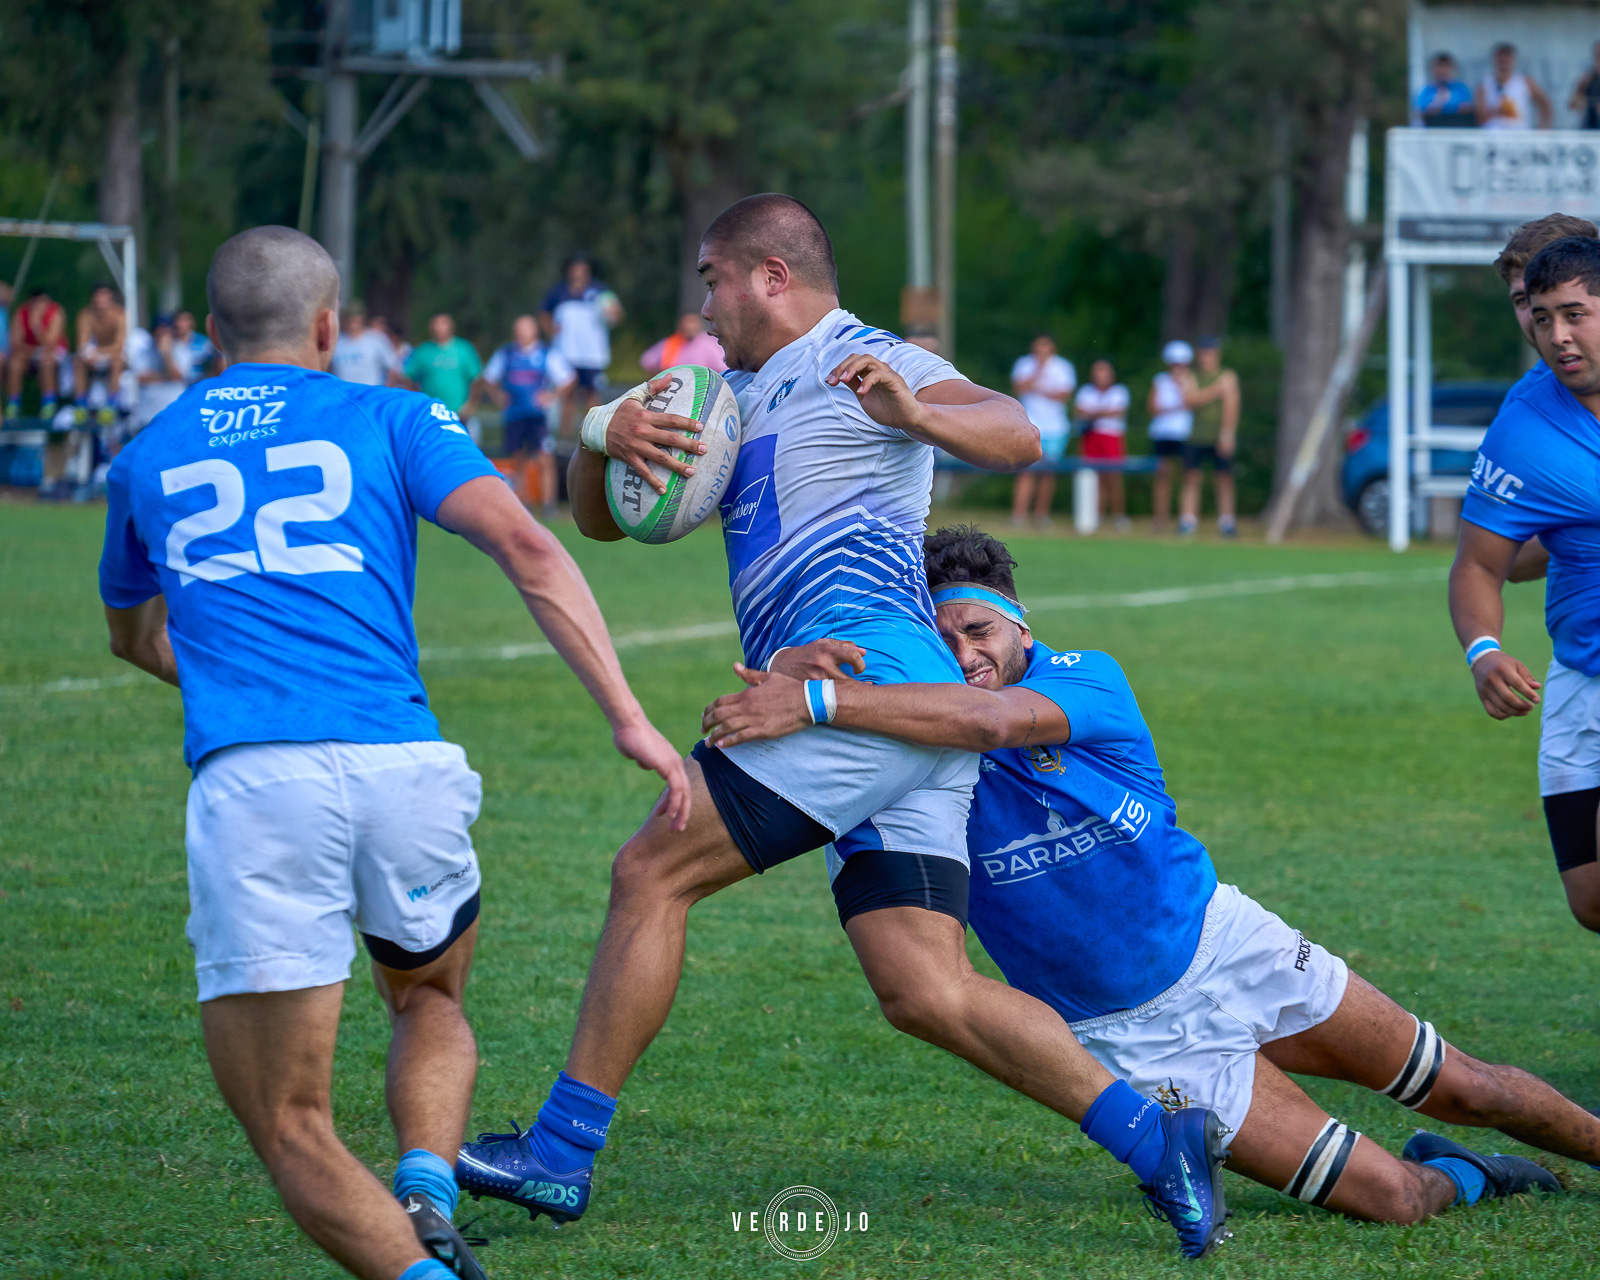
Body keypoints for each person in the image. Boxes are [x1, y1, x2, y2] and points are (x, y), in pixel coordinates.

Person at [457, 194, 1233, 1260]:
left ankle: (558, 1149)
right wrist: (601, 432)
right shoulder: (724, 396)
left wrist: (915, 413)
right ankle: (1158, 1136)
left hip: (868, 684)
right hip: (894, 707)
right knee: (925, 986)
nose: (705, 300)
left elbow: (1018, 429)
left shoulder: (868, 356)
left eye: (712, 278)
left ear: (770, 274)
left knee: (652, 871)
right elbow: (602, 520)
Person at [703, 524, 1600, 1225]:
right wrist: (791, 681)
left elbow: (990, 722)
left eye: (977, 628)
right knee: (1394, 1200)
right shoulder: (895, 759)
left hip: (1228, 945)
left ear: (1019, 620)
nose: (966, 653)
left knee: (1472, 1084)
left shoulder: (1087, 679)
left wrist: (819, 697)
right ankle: (1463, 1171)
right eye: (941, 643)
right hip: (1136, 1041)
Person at [97, 226, 689, 1280]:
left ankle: (417, 1249)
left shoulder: (147, 452)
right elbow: (528, 544)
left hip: (258, 783)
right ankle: (424, 1182)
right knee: (429, 994)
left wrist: (237, 682)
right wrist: (627, 714)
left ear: (208, 330)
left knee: (291, 1126)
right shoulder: (392, 411)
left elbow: (133, 636)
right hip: (401, 768)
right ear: (331, 326)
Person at [1451, 233, 1600, 941]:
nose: (1557, 335)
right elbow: (1483, 562)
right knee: (1591, 898)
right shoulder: (1524, 428)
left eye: (1575, 314)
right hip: (1579, 673)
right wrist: (1484, 650)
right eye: (1541, 317)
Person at [483, 314, 575, 520]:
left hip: (538, 417)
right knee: (519, 459)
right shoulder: (506, 354)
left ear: (534, 331)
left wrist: (552, 395)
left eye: (525, 328)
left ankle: (548, 505)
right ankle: (523, 503)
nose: (521, 333)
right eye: (518, 329)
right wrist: (498, 396)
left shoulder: (545, 353)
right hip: (514, 415)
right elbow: (488, 378)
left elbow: (568, 379)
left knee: (544, 458)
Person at [541, 255, 622, 446]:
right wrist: (550, 330)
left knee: (591, 394)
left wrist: (612, 313)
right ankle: (566, 438)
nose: (577, 272)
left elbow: (616, 314)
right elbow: (543, 313)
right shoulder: (558, 292)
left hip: (593, 355)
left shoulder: (600, 291)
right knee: (567, 395)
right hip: (567, 353)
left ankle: (590, 436)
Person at [1008, 334, 1076, 528]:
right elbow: (1019, 388)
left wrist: (1040, 389)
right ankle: (1019, 515)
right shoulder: (1024, 364)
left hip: (1055, 428)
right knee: (1025, 470)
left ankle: (1041, 515)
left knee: (1048, 472)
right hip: (1029, 424)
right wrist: (1038, 371)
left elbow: (1063, 395)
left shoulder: (1062, 367)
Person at [1179, 337, 1241, 537]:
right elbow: (1190, 399)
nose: (1206, 357)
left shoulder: (1227, 375)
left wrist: (1227, 433)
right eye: (1203, 353)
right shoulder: (1191, 376)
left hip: (1218, 436)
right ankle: (1188, 521)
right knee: (1191, 478)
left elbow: (1232, 405)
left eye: (1210, 353)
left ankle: (1227, 522)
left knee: (1224, 478)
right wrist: (1216, 390)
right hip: (1196, 435)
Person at [403, 313, 484, 439]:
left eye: (442, 324)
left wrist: (470, 405)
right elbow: (408, 378)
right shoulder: (423, 351)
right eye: (435, 325)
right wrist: (418, 402)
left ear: (451, 327)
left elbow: (477, 379)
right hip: (431, 414)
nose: (438, 328)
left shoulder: (464, 349)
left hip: (459, 414)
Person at [1073, 358, 1130, 530]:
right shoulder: (1086, 391)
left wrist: (1093, 413)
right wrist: (1104, 412)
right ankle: (1095, 514)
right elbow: (1080, 412)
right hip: (1091, 437)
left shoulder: (1119, 391)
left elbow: (1117, 413)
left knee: (1113, 477)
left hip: (1111, 437)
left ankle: (1118, 515)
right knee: (1092, 476)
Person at [1147, 340, 1193, 529]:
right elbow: (1153, 407)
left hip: (1184, 433)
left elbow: (1191, 402)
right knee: (1162, 476)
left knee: (1187, 476)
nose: (1177, 367)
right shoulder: (1160, 380)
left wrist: (1182, 388)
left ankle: (1185, 518)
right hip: (1162, 433)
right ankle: (1161, 518)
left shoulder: (1191, 380)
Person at [123, 313, 186, 438]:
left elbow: (178, 376)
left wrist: (166, 354)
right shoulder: (143, 352)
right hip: (147, 418)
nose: (163, 335)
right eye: (160, 330)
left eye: (166, 331)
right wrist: (167, 376)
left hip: (174, 417)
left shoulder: (181, 350)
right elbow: (142, 378)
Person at [74, 283, 127, 426]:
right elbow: (82, 343)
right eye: (98, 295)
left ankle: (110, 405)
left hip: (114, 356)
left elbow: (118, 346)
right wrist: (87, 354)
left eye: (104, 295)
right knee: (78, 361)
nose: (100, 299)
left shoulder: (120, 315)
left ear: (110, 297)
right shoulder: (86, 315)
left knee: (117, 362)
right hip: (96, 356)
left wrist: (97, 352)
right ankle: (81, 404)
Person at [1476, 42, 1553, 131]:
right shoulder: (1485, 84)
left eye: (1507, 58)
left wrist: (1543, 129)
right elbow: (1479, 118)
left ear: (1513, 60)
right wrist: (1499, 111)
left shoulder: (1525, 82)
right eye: (1501, 59)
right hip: (1492, 136)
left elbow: (1545, 104)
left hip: (1518, 137)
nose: (1503, 62)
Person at [640, 309, 726, 374]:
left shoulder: (710, 343)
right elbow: (648, 362)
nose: (689, 326)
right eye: (686, 322)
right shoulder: (671, 343)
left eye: (692, 322)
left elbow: (722, 368)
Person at [332, 307, 400, 387]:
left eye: (355, 318)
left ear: (361, 319)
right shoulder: (336, 340)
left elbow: (393, 368)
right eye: (349, 318)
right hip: (343, 393)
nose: (352, 322)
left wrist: (386, 391)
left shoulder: (376, 338)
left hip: (369, 393)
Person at [1416, 52, 1475, 127]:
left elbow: (1468, 111)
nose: (1442, 70)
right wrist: (1438, 103)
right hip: (1432, 131)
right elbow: (1419, 115)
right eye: (1439, 66)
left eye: (1446, 66)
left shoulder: (1462, 89)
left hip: (1458, 128)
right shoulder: (1426, 91)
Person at [170, 309, 218, 385]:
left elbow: (214, 366)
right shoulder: (169, 344)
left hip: (199, 385)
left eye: (185, 320)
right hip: (176, 387)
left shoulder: (204, 343)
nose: (180, 324)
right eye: (178, 320)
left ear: (192, 322)